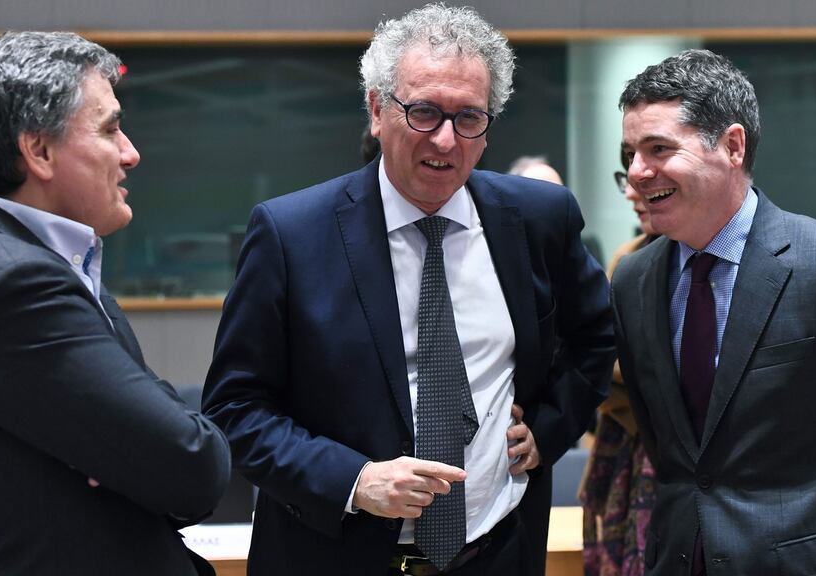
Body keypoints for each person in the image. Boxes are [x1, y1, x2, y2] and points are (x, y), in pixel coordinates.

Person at [202, 4, 614, 576]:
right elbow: (234, 408)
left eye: (469, 117)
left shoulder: (538, 219)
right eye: (423, 112)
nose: (446, 140)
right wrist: (354, 480)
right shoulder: (291, 234)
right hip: (335, 557)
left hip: (497, 552)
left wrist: (550, 427)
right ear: (376, 110)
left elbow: (595, 336)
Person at [612, 48, 816, 575]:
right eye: (629, 153)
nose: (637, 173)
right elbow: (672, 451)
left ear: (733, 145)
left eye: (658, 149)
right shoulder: (632, 280)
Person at [0, 31, 231, 575]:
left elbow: (166, 456)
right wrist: (135, 453)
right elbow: (195, 466)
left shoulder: (30, 264)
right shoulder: (13, 285)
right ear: (37, 150)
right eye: (110, 128)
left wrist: (124, 453)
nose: (131, 153)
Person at [581, 147, 659, 575]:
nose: (633, 190)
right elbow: (606, 352)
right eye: (626, 173)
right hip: (626, 444)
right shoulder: (628, 258)